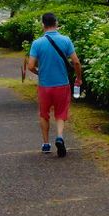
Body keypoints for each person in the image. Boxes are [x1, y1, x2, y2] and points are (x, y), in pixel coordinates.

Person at [27, 13, 83, 157]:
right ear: (56, 23)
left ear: (42, 25)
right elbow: (76, 62)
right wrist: (78, 78)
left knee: (44, 114)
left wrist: (39, 73)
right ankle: (59, 136)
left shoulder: (37, 43)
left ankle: (46, 144)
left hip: (44, 86)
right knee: (60, 113)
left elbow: (30, 66)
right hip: (62, 84)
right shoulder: (66, 40)